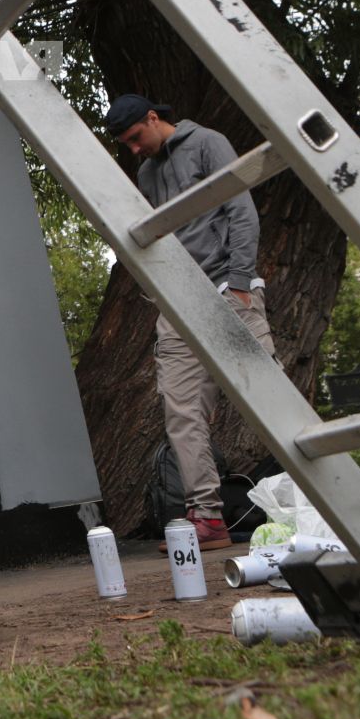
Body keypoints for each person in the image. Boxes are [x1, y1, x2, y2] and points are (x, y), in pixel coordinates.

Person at [105, 92, 272, 551]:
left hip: (227, 289)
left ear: (155, 118)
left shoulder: (208, 143)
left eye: (136, 137)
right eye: (126, 143)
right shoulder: (146, 172)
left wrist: (239, 281)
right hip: (179, 304)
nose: (134, 149)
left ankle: (316, 503)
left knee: (266, 397)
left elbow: (240, 211)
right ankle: (207, 517)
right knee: (179, 408)